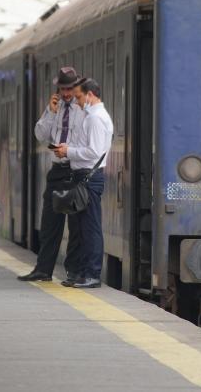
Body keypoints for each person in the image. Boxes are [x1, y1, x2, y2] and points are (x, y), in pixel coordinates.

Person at [18, 67, 87, 284]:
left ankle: (73, 272)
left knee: (76, 224)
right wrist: (50, 112)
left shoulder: (83, 107)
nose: (66, 93)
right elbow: (40, 135)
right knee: (50, 222)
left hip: (76, 170)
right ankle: (43, 269)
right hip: (57, 170)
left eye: (70, 89)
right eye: (63, 89)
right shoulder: (55, 108)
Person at [52, 78, 113, 289]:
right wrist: (68, 149)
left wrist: (68, 151)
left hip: (89, 177)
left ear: (90, 95)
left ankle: (92, 273)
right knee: (79, 227)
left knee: (90, 226)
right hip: (82, 176)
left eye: (79, 97)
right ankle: (80, 272)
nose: (77, 102)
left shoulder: (96, 119)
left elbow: (94, 152)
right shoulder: (90, 117)